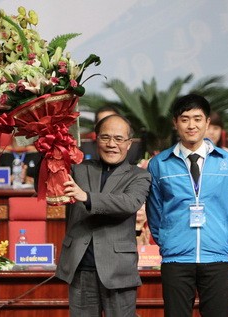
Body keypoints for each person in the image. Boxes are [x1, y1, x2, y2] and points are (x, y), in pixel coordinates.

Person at [146, 94, 228, 317]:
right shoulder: (159, 164)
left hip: (216, 256)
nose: (192, 125)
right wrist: (170, 241)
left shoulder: (226, 161)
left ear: (207, 122)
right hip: (176, 258)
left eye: (198, 119)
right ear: (175, 123)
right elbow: (155, 211)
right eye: (185, 119)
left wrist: (220, 236)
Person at [55, 114, 151, 317]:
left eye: (118, 139)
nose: (111, 144)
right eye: (105, 137)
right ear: (96, 139)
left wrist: (86, 197)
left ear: (129, 143)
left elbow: (129, 203)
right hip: (80, 267)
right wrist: (49, 144)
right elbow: (49, 176)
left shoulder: (139, 176)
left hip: (118, 270)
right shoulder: (78, 170)